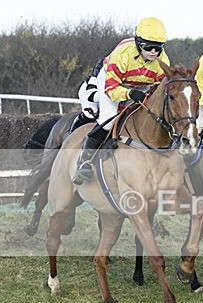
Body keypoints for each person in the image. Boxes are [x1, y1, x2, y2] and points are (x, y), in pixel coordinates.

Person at [72, 17, 170, 185]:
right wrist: (129, 94)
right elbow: (111, 90)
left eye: (158, 48)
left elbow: (157, 90)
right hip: (113, 81)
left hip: (140, 84)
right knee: (108, 120)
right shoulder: (121, 56)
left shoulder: (163, 62)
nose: (153, 52)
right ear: (139, 43)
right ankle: (84, 163)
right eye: (148, 47)